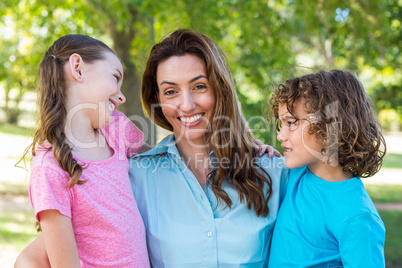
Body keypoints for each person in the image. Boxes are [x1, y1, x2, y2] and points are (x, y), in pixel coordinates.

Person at [129, 29, 289, 267]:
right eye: (171, 91)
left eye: (199, 86)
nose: (187, 105)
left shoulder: (272, 172)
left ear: (220, 87)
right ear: (158, 99)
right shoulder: (135, 178)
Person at [15, 34, 151, 267]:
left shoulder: (117, 129)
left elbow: (160, 159)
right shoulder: (50, 167)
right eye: (115, 77)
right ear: (77, 68)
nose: (121, 95)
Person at [268, 70, 386, 267]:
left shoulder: (358, 217)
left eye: (290, 123)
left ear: (330, 127)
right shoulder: (294, 175)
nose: (280, 136)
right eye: (281, 125)